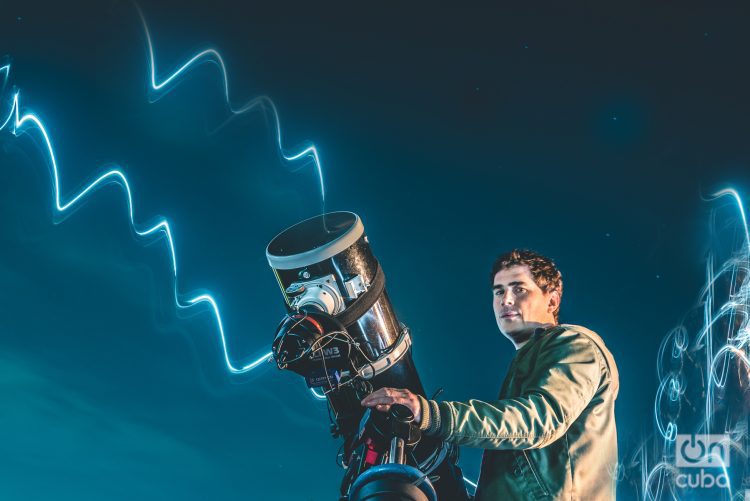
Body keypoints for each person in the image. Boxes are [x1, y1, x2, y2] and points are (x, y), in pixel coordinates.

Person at [361, 249, 619, 499]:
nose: (506, 300)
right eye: (499, 291)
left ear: (552, 300)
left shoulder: (574, 345)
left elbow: (538, 420)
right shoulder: (529, 362)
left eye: (519, 289)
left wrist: (430, 414)